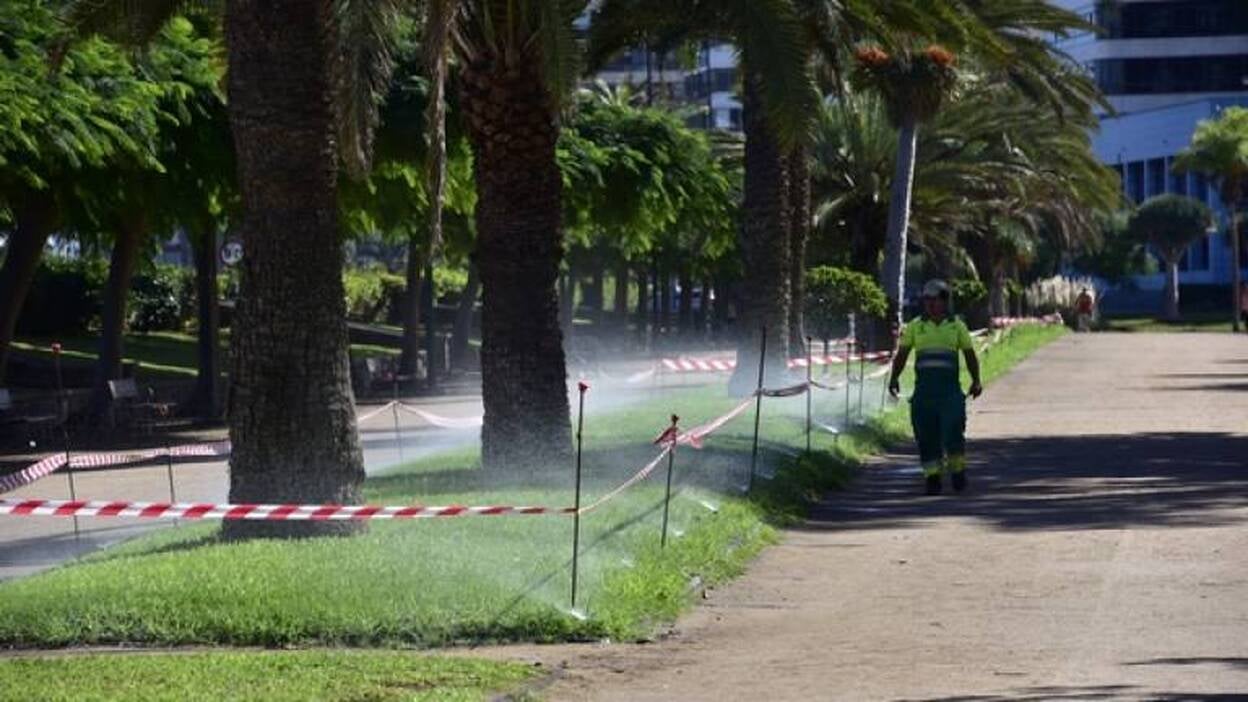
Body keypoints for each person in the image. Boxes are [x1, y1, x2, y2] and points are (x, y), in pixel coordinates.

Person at [888, 279, 983, 495]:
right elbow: (901, 355)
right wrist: (894, 378)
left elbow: (969, 355)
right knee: (925, 435)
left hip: (950, 393)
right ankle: (932, 478)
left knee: (953, 431)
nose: (930, 304)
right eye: (926, 300)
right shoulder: (914, 326)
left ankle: (957, 472)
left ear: (944, 301)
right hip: (924, 394)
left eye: (934, 300)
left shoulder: (956, 326)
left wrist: (976, 380)